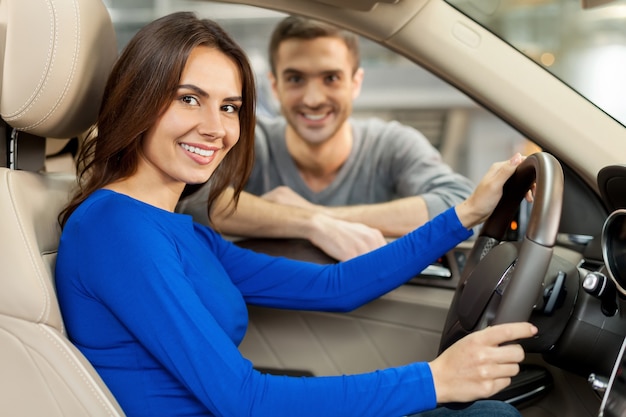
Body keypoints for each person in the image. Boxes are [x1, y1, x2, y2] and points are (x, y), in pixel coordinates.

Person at [55, 11, 536, 417]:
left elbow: (337, 287)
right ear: (140, 97)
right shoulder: (115, 229)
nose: (215, 128)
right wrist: (433, 380)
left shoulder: (181, 229)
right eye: (188, 99)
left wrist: (466, 213)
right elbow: (242, 398)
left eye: (229, 107)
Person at [176, 15, 475, 261]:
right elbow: (196, 200)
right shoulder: (252, 140)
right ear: (275, 86)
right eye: (296, 79)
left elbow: (460, 202)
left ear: (355, 83)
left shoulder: (391, 144)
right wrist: (311, 225)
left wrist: (315, 213)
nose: (313, 98)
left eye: (330, 78)